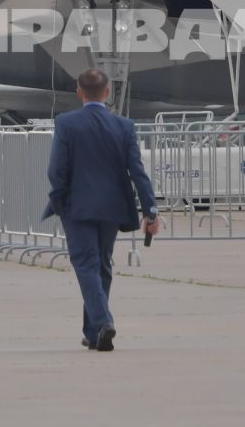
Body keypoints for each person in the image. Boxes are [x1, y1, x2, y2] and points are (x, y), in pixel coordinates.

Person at [41, 68, 158, 352]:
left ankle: (104, 321)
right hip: (112, 207)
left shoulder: (66, 123)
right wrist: (150, 210)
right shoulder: (124, 126)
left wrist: (58, 201)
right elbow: (137, 172)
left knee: (86, 264)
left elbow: (57, 169)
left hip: (77, 207)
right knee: (102, 265)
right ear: (107, 93)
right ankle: (93, 332)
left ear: (78, 92)